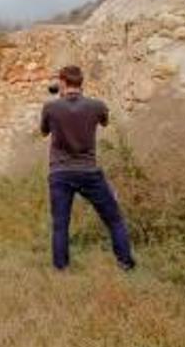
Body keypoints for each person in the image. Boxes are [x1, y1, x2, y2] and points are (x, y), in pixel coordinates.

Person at [40, 65, 135, 271]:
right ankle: (125, 263)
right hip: (88, 171)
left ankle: (61, 269)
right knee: (114, 219)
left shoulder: (50, 108)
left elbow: (43, 132)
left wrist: (59, 99)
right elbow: (105, 121)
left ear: (62, 82)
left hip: (60, 172)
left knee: (60, 225)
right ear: (81, 83)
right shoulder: (96, 105)